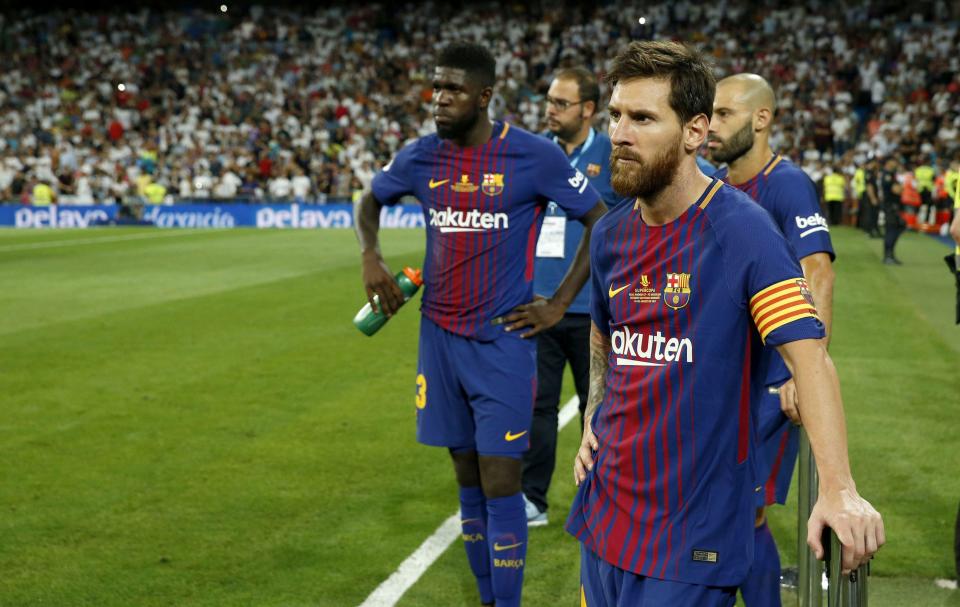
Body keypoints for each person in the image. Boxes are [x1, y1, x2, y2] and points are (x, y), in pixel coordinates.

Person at [567, 40, 883, 607]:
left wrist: (839, 488)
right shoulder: (610, 235)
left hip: (693, 534)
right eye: (615, 115)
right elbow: (603, 336)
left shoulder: (744, 231)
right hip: (605, 514)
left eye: (642, 118)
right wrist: (593, 412)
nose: (619, 133)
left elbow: (810, 359)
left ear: (694, 131)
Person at [354, 42, 607, 607]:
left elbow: (600, 220)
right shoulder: (422, 156)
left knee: (501, 482)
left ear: (485, 96)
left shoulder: (533, 155)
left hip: (502, 343)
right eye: (436, 88)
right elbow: (370, 200)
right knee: (466, 477)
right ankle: (490, 599)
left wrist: (560, 302)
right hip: (438, 340)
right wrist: (370, 256)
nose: (439, 100)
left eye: (453, 90)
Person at [708, 73, 837, 607]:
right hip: (723, 374)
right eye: (710, 114)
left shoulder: (787, 185)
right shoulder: (715, 183)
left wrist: (799, 372)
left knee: (746, 509)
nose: (711, 125)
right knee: (722, 505)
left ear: (761, 119)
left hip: (767, 377)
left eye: (724, 114)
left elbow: (818, 271)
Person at [523, 67, 618, 528]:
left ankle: (598, 501)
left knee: (595, 408)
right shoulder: (538, 154)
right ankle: (532, 500)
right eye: (549, 101)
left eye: (561, 103)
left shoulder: (614, 154)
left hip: (591, 310)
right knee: (536, 407)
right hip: (537, 307)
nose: (550, 110)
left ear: (587, 109)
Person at [880, 156, 905, 265]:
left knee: (898, 227)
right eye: (894, 161)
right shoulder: (887, 175)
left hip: (894, 206)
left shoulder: (892, 174)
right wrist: (902, 186)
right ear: (888, 162)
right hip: (891, 206)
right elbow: (897, 190)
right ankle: (888, 256)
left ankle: (890, 254)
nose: (895, 163)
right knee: (891, 230)